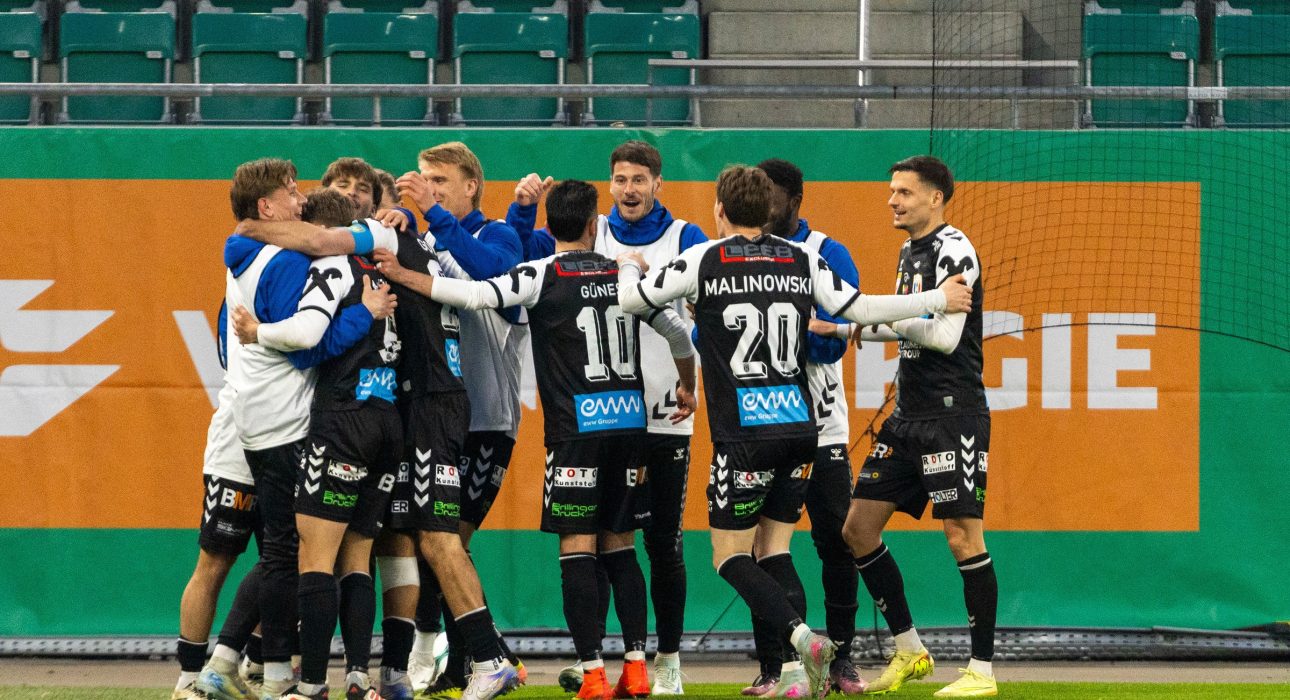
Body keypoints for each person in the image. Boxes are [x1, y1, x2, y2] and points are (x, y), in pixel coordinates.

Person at [616, 165, 974, 699]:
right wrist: (935, 300)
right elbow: (858, 309)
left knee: (730, 557)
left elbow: (631, 301)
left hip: (744, 434)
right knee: (775, 551)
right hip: (801, 427)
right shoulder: (802, 257)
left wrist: (628, 267)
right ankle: (791, 678)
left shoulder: (703, 258)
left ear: (719, 210)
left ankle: (804, 640)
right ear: (770, 212)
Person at [374, 179, 697, 700]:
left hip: (576, 432)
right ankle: (637, 666)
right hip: (631, 427)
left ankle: (592, 672)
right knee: (621, 547)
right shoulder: (625, 275)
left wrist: (403, 274)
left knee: (577, 550)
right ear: (595, 225)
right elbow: (680, 334)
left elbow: (474, 293)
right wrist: (687, 385)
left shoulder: (539, 274)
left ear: (550, 229)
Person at [507, 140, 706, 694]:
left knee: (660, 542)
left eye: (639, 179)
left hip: (662, 415)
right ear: (608, 190)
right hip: (621, 418)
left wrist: (692, 378)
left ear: (658, 184)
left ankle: (662, 660)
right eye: (620, 179)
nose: (629, 189)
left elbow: (706, 311)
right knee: (613, 541)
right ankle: (619, 661)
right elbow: (525, 256)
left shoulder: (685, 237)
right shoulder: (597, 237)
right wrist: (524, 209)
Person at [198, 162, 395, 700]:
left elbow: (235, 336)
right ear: (268, 208)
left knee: (286, 552)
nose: (301, 199)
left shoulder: (251, 253)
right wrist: (364, 315)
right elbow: (308, 341)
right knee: (294, 553)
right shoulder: (301, 264)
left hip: (258, 417)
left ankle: (240, 666)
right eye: (291, 193)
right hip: (288, 423)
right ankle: (275, 675)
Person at [841, 156, 997, 699]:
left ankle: (982, 671)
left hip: (953, 415)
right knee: (857, 529)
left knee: (961, 536)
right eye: (891, 191)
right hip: (908, 416)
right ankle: (910, 650)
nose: (892, 200)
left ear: (935, 198)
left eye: (904, 192)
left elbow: (946, 337)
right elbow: (917, 326)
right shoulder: (911, 249)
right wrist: (856, 327)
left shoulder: (956, 248)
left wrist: (869, 316)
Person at [397, 142, 529, 696]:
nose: (430, 186)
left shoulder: (498, 235)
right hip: (437, 415)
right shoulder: (427, 236)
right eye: (425, 178)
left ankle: (484, 657)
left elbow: (490, 278)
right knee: (435, 542)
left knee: (445, 540)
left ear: (470, 185)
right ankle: (476, 659)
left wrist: (432, 214)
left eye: (441, 180)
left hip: (487, 421)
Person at [737, 158, 867, 697]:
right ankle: (775, 666)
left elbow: (835, 338)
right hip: (763, 426)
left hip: (823, 426)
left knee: (837, 543)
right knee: (758, 547)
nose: (764, 209)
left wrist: (792, 337)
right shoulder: (740, 257)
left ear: (795, 201)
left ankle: (841, 659)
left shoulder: (828, 253)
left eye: (773, 199)